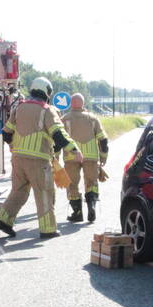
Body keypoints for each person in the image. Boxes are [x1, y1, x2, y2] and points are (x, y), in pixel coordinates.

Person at [0, 77, 82, 239]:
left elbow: (6, 132)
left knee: (18, 191)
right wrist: (74, 149)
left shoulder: (19, 108)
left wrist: (12, 145)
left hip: (18, 159)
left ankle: (4, 219)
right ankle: (48, 229)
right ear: (47, 92)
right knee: (44, 193)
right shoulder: (47, 110)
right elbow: (58, 134)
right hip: (39, 160)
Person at [61, 93, 109, 223]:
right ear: (83, 104)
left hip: (71, 157)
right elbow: (103, 140)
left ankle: (77, 213)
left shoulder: (64, 119)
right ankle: (91, 206)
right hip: (91, 156)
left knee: (72, 184)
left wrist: (53, 157)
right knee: (91, 182)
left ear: (71, 104)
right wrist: (103, 157)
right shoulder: (93, 118)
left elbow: (57, 139)